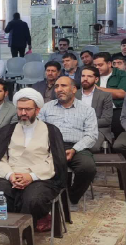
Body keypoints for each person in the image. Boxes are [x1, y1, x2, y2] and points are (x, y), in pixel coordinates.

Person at [0, 88, 67, 223]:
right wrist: (10, 175)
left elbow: (55, 161)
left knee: (33, 199)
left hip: (40, 178)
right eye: (20, 109)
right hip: (10, 176)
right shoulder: (7, 130)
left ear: (37, 110)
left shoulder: (51, 131)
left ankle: (25, 231)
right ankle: (6, 228)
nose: (23, 113)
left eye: (28, 109)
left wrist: (31, 176)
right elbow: (0, 159)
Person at [39, 77, 97, 208]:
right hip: (51, 145)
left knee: (88, 168)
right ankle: (49, 197)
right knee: (43, 165)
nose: (59, 89)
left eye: (63, 86)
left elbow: (91, 135)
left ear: (74, 89)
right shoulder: (46, 108)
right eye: (56, 86)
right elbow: (38, 130)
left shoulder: (87, 110)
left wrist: (75, 149)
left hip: (77, 147)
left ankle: (71, 197)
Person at [92, 52, 126, 138]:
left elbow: (123, 93)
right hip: (95, 110)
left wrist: (97, 89)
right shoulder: (91, 75)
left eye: (100, 65)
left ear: (109, 64)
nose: (97, 68)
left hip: (116, 109)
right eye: (95, 65)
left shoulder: (122, 74)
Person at [76, 66, 114, 152]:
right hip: (76, 129)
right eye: (83, 76)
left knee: (90, 146)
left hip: (98, 129)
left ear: (96, 79)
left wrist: (85, 124)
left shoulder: (105, 96)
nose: (85, 79)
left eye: (89, 76)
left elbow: (107, 120)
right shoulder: (74, 95)